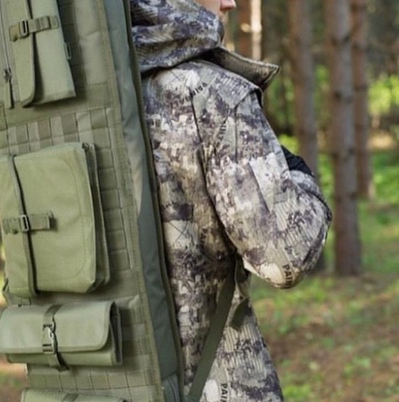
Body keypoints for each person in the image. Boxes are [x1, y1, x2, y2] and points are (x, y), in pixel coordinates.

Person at [130, 0, 332, 401]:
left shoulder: (69, 110)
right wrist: (300, 177)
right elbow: (286, 258)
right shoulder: (213, 94)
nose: (230, 3)